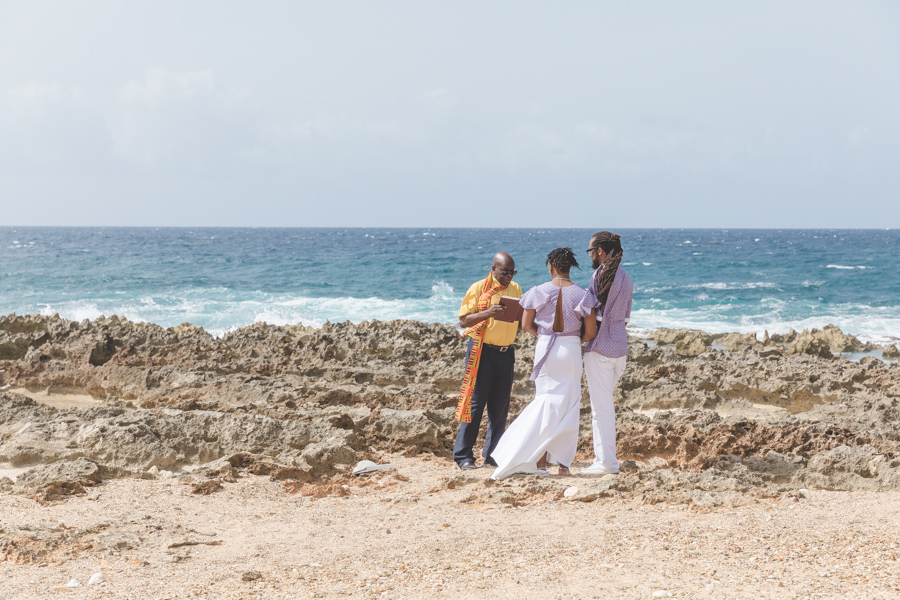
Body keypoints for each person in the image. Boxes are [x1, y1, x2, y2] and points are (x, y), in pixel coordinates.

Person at [490, 248, 597, 479]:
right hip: (569, 350)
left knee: (544, 401)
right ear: (570, 268)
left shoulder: (538, 291)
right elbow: (590, 332)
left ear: (551, 267)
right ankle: (563, 466)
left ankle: (539, 463)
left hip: (546, 347)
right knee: (569, 405)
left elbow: (527, 325)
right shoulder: (583, 294)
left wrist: (547, 335)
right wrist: (571, 339)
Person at [453, 252, 522, 470]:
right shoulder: (478, 289)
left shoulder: (516, 289)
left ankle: (493, 455)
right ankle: (463, 456)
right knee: (475, 404)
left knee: (500, 407)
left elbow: (518, 319)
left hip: (506, 352)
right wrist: (488, 313)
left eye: (512, 272)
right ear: (493, 269)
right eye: (505, 272)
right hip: (482, 351)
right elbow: (464, 320)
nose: (509, 276)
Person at [581, 231, 633, 475]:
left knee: (600, 408)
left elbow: (591, 312)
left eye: (591, 251)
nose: (590, 255)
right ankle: (604, 459)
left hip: (600, 348)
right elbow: (624, 318)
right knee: (605, 406)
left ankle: (606, 463)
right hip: (619, 349)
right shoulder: (626, 278)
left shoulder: (600, 275)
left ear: (600, 250)